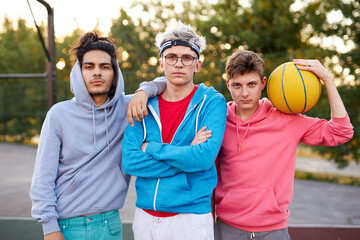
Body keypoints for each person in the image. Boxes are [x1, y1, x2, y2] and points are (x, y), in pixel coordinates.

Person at [30, 31, 166, 240]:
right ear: (79, 72)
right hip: (67, 225)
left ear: (115, 74)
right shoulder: (59, 114)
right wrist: (50, 227)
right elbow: (42, 179)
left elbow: (167, 82)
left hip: (110, 225)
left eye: (105, 67)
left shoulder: (128, 108)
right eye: (89, 66)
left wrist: (143, 91)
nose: (97, 73)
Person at [213, 50, 354, 240]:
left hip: (273, 230)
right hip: (227, 227)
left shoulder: (286, 120)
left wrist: (328, 79)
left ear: (263, 84)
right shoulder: (218, 119)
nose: (244, 93)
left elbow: (342, 132)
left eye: (251, 84)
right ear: (228, 85)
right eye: (237, 85)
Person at [122, 21, 227, 240]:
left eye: (187, 57)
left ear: (197, 65)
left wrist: (151, 148)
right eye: (171, 57)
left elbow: (203, 159)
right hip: (145, 219)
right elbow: (130, 161)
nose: (178, 63)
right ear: (162, 63)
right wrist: (186, 153)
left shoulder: (211, 102)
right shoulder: (143, 104)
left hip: (190, 220)